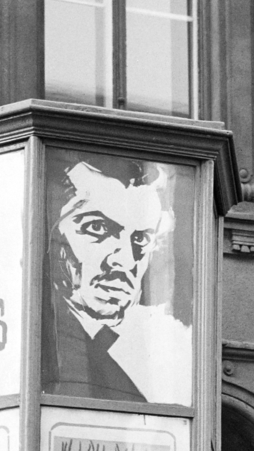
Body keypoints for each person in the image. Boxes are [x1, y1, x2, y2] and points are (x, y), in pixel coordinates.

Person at [42, 157, 192, 405]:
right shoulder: (35, 341)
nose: (125, 260)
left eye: (141, 239)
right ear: (52, 233)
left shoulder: (144, 354)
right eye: (97, 228)